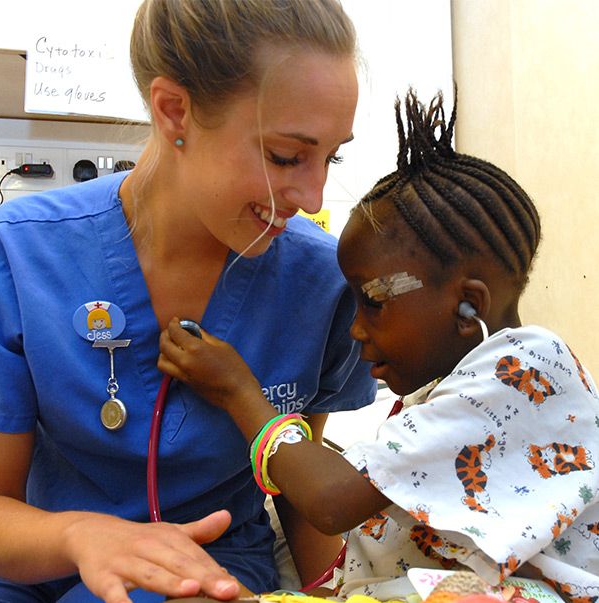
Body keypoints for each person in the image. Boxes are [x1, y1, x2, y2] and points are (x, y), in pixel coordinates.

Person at [0, 1, 378, 601]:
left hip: (206, 559)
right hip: (35, 558)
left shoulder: (320, 285)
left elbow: (302, 490)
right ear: (175, 110)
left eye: (331, 157)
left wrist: (333, 594)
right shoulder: (16, 256)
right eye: (285, 156)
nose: (311, 195)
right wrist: (80, 535)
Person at [158, 90, 599, 602]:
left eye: (372, 302)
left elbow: (331, 499)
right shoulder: (456, 387)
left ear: (467, 307)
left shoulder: (520, 370)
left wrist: (238, 391)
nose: (355, 329)